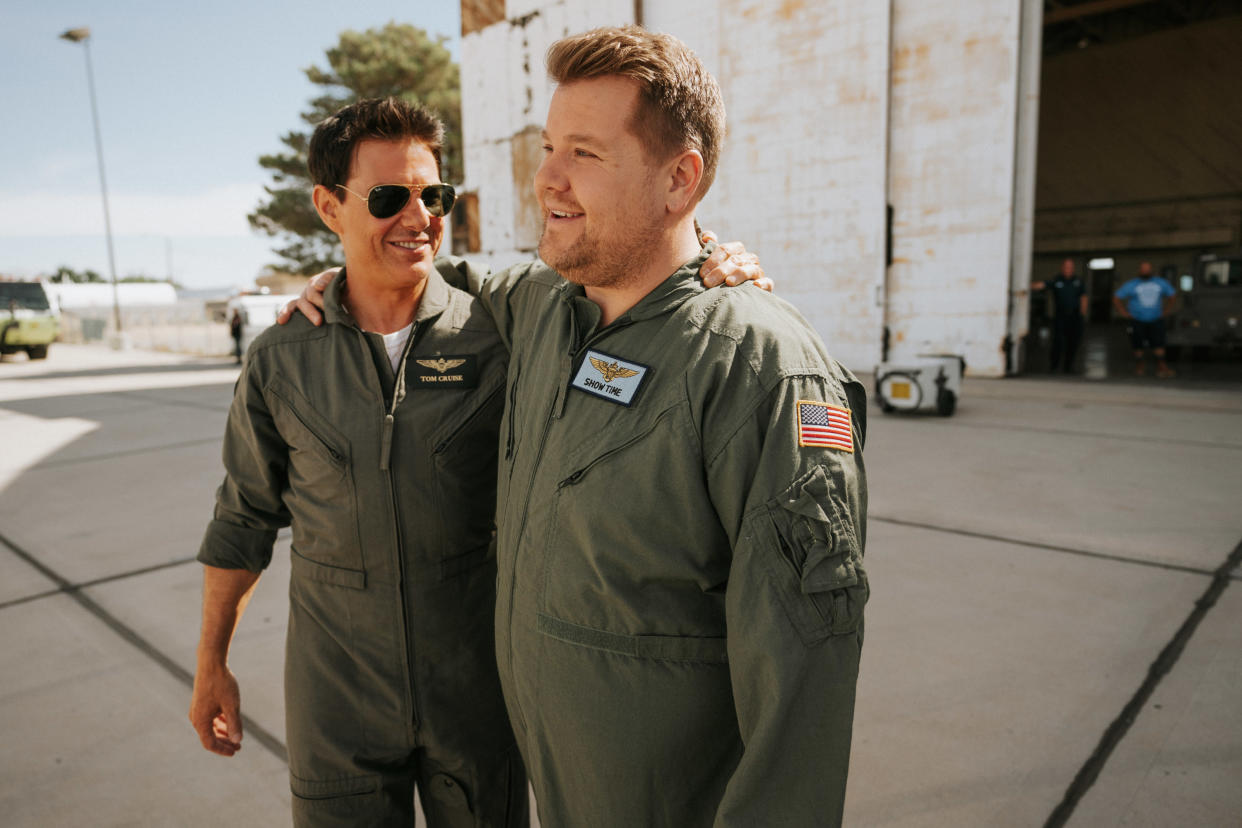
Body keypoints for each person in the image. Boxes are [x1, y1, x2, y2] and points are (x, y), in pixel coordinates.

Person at [290, 28, 858, 825]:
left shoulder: (757, 366)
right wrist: (344, 271)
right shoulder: (545, 309)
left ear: (680, 180)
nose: (545, 176)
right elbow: (445, 270)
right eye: (549, 145)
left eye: (584, 153)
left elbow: (804, 690)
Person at [194, 96, 763, 826]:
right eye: (389, 197)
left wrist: (710, 250)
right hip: (337, 697)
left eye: (434, 195)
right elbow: (242, 522)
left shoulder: (503, 323)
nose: (419, 216)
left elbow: (623, 263)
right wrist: (212, 661)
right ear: (330, 208)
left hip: (478, 693)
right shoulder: (282, 360)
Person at [1113, 260, 1177, 377]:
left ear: (1151, 270)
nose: (1145, 271)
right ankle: (1140, 366)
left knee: (1159, 344)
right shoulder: (1132, 284)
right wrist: (1124, 313)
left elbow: (1172, 295)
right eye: (1143, 269)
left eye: (1147, 269)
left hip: (1156, 319)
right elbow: (1117, 297)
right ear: (1140, 271)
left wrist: (1166, 310)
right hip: (1137, 320)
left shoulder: (1160, 283)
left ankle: (1161, 367)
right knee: (1137, 344)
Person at [1032, 258, 1087, 373]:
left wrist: (1082, 314)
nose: (1068, 269)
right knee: (1058, 342)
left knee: (1073, 342)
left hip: (1075, 317)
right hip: (1060, 316)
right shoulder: (1057, 280)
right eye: (1066, 267)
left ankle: (1068, 367)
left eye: (1071, 267)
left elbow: (1083, 297)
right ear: (1062, 268)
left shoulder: (1078, 281)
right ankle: (1054, 366)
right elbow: (1041, 285)